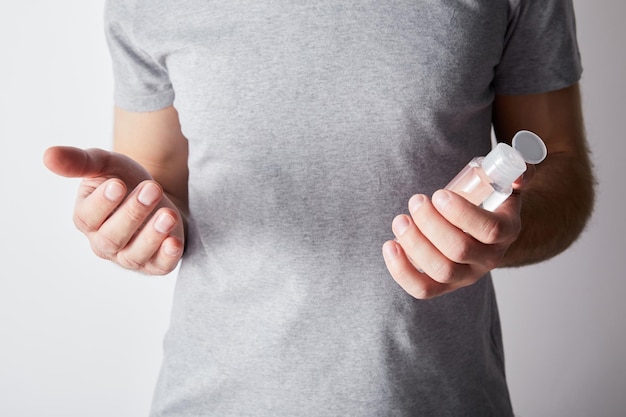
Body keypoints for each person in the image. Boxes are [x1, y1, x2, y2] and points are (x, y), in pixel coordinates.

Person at [44, 0, 595, 415]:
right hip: (214, 399)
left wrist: (502, 235)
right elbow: (161, 179)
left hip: (434, 398)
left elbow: (559, 166)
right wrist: (134, 220)